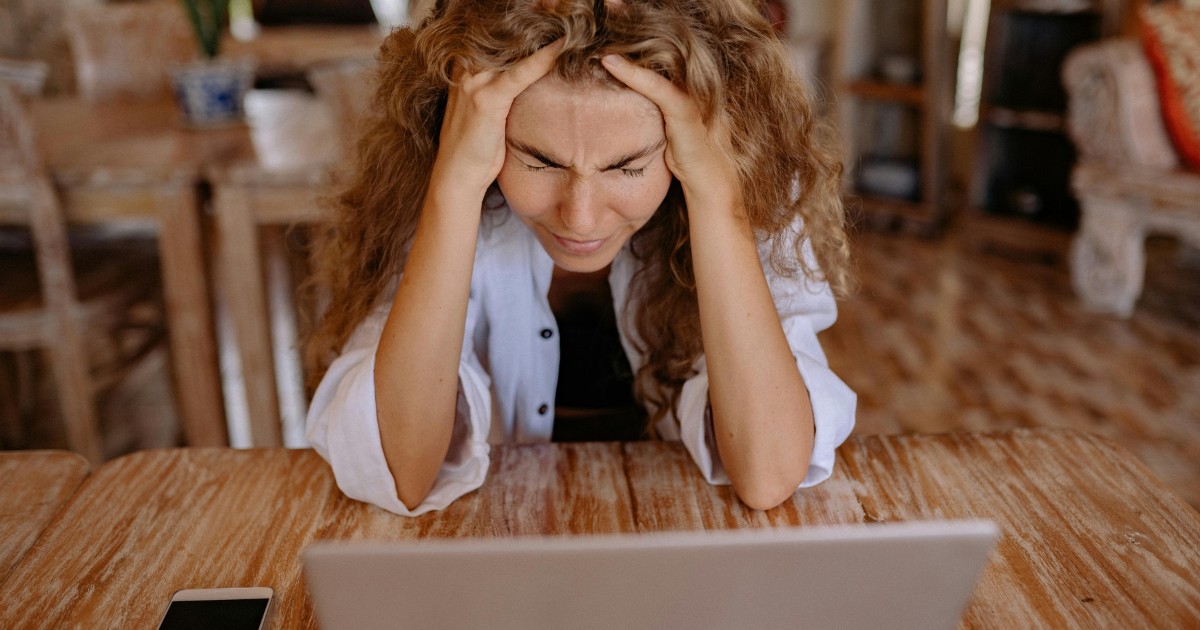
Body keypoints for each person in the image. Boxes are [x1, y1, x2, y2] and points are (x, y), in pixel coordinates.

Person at [304, 0, 857, 516]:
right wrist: (453, 187)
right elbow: (400, 473)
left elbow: (769, 474)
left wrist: (716, 199)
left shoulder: (749, 188)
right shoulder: (436, 183)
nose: (581, 219)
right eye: (540, 162)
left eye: (627, 167)